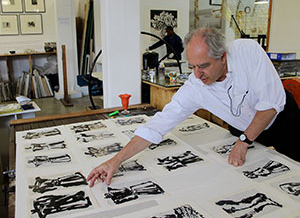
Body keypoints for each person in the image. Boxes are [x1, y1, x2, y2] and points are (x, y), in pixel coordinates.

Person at [87, 28, 300, 187]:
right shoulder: (195, 86)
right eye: (193, 67)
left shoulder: (247, 51)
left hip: (282, 121)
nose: (198, 74)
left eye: (204, 65)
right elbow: (158, 125)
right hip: (244, 130)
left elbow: (270, 105)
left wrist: (243, 142)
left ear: (223, 57)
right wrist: (115, 160)